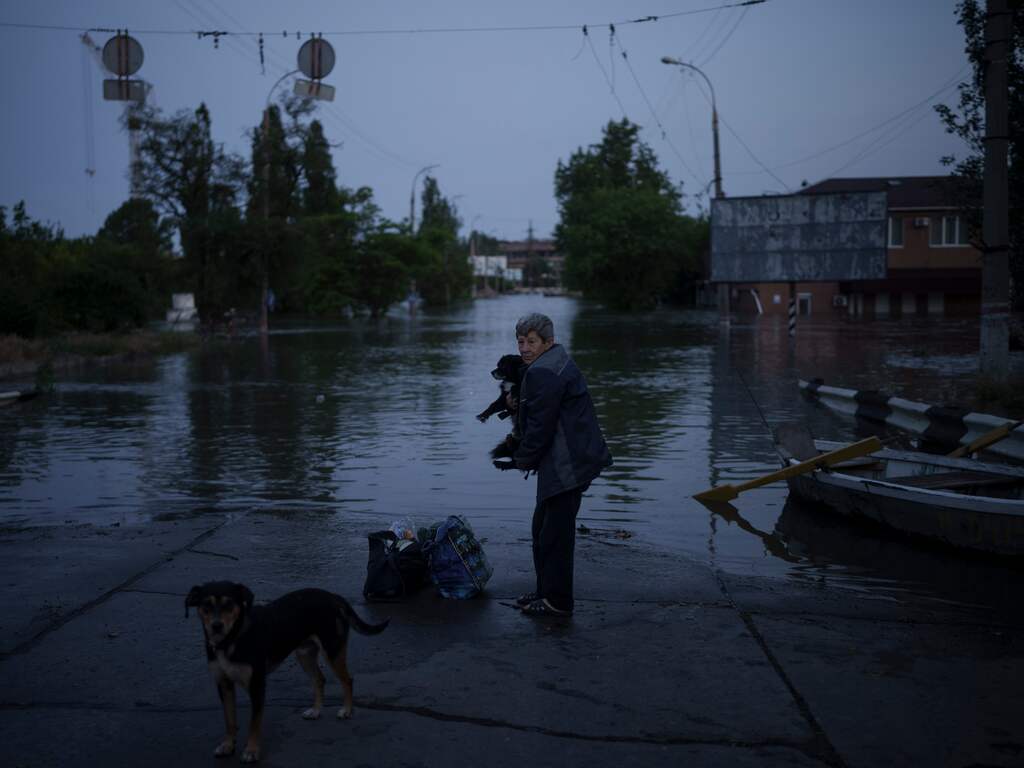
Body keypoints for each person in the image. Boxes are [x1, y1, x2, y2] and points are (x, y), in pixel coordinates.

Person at [510, 313, 612, 617]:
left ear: (548, 342)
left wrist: (521, 459)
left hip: (568, 464)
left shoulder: (544, 372)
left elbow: (540, 427)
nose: (524, 348)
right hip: (572, 458)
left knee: (555, 534)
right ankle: (545, 592)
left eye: (531, 342)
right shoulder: (554, 361)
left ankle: (558, 602)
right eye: (520, 341)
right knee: (543, 528)